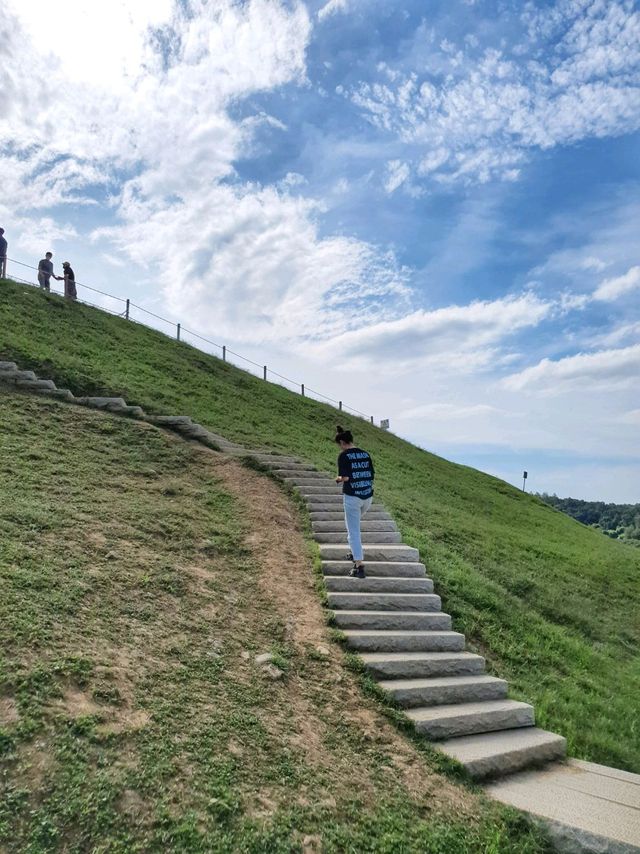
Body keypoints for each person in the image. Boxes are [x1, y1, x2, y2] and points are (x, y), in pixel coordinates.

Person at [334, 425, 375, 578]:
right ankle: (353, 551)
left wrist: (338, 479)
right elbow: (371, 475)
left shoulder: (343, 456)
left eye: (340, 444)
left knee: (353, 532)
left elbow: (345, 478)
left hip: (352, 497)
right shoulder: (365, 454)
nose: (340, 447)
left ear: (343, 442)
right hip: (367, 497)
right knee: (353, 526)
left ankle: (359, 566)